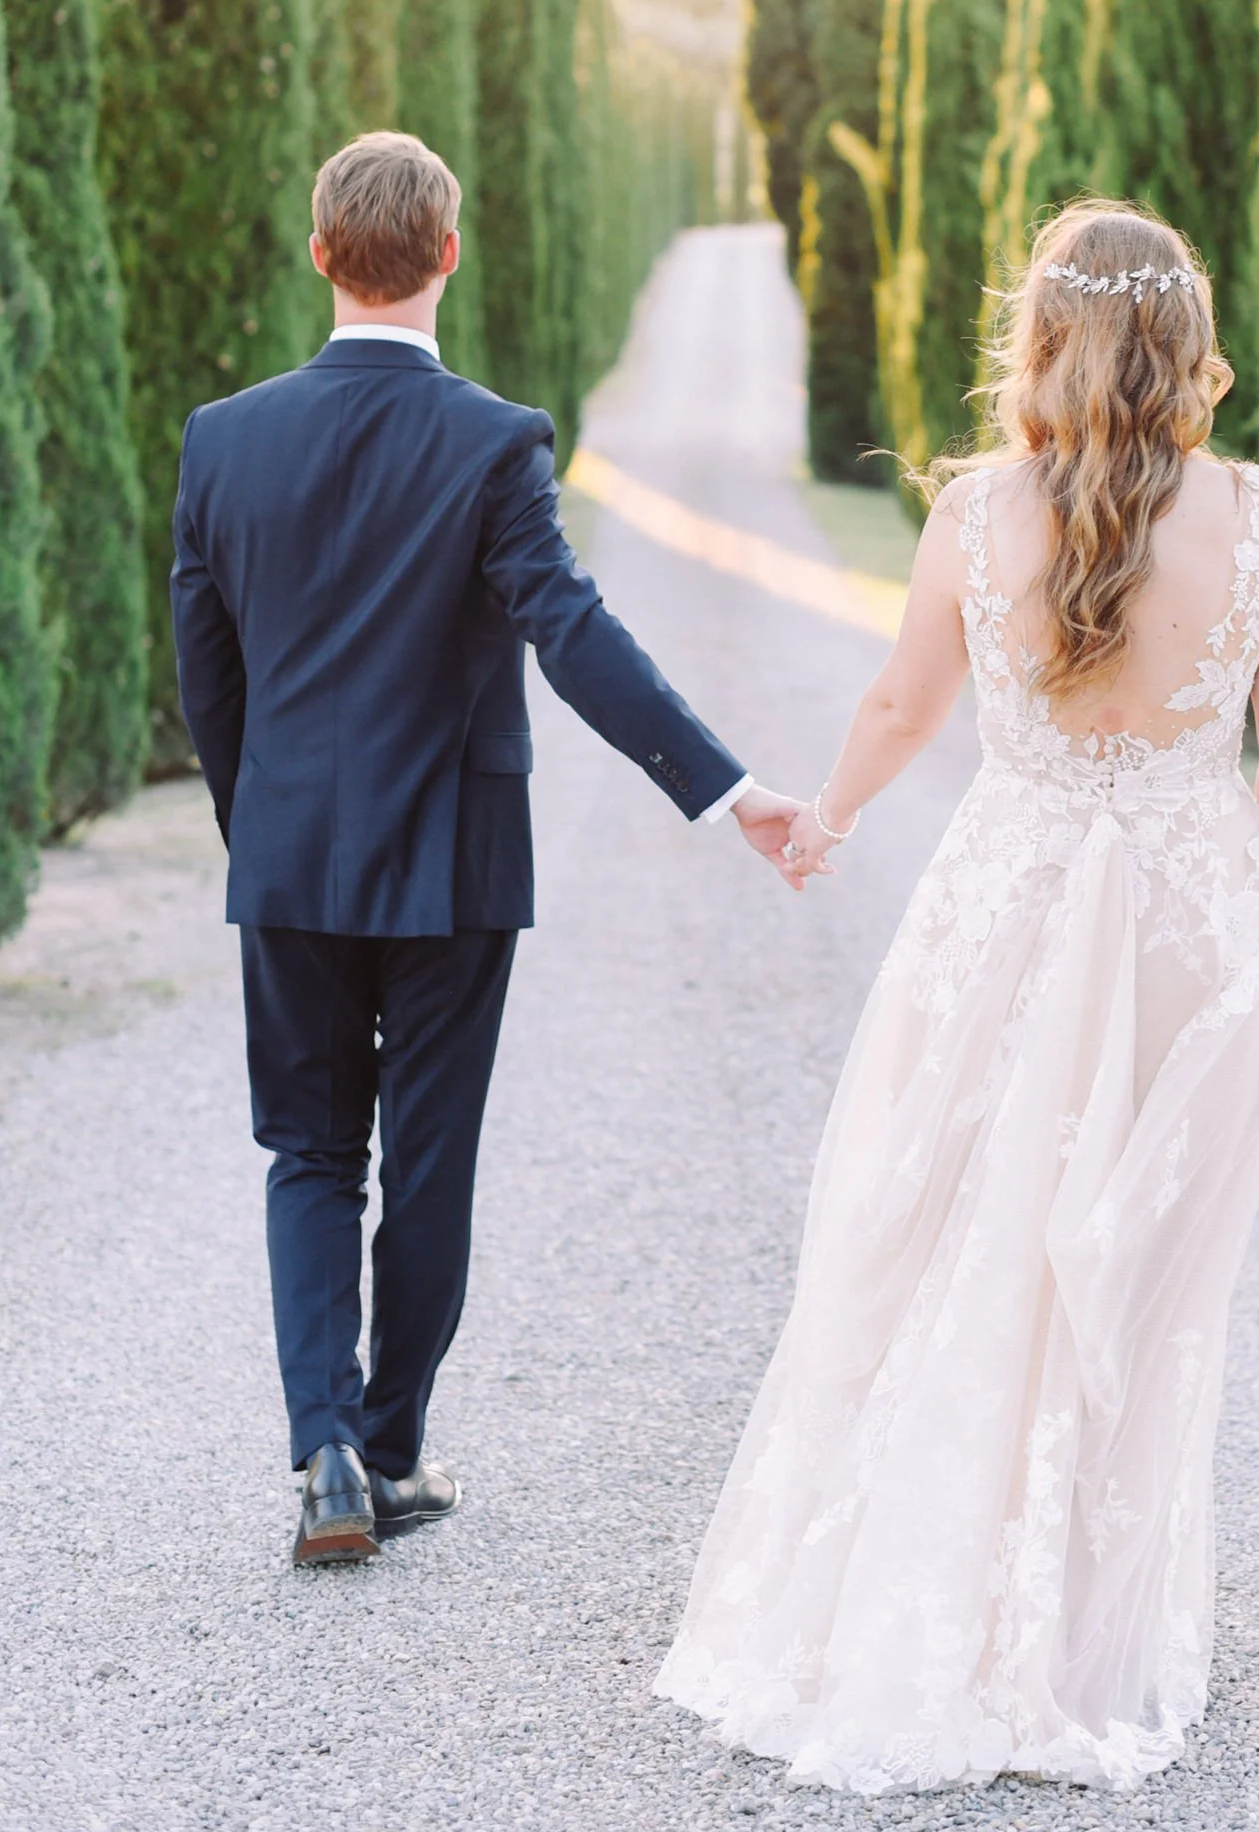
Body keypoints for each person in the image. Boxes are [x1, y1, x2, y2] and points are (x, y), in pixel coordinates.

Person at [656, 199, 1259, 1793]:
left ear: (1037, 337)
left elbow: (901, 701)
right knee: (1143, 1275)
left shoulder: (974, 513)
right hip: (1191, 928)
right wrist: (1245, 907)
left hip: (1004, 904)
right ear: (1188, 337)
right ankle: (1093, 1635)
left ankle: (927, 1599)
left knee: (951, 1232)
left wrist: (824, 817)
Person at [171, 130, 802, 1565]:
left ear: (321, 252)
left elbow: (207, 673)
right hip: (454, 863)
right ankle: (391, 1450)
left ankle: (325, 1454)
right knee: (431, 1162)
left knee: (311, 1154)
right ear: (447, 253)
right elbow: (570, 634)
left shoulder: (224, 441)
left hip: (291, 860)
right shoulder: (494, 437)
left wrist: (253, 817)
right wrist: (726, 786)